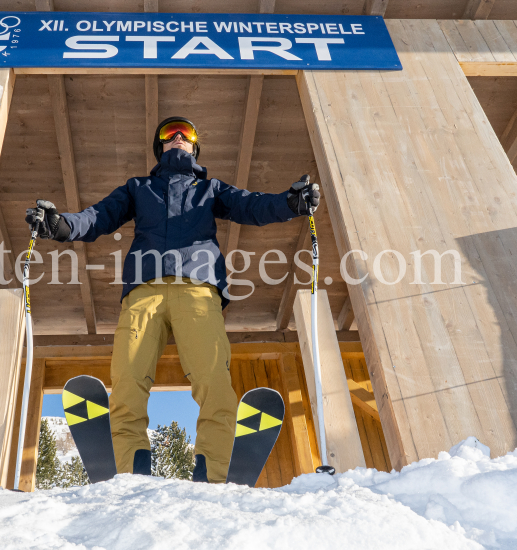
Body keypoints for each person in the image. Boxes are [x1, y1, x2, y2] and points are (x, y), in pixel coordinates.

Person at [26, 117, 320, 483]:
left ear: (195, 146)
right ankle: (130, 471)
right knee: (128, 382)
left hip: (197, 290)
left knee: (214, 381)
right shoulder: (138, 188)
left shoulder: (209, 189)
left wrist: (291, 203)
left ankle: (213, 474)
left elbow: (252, 206)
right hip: (142, 292)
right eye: (169, 134)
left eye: (187, 134)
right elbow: (98, 217)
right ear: (159, 146)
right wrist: (61, 225)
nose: (178, 138)